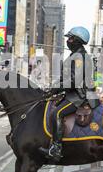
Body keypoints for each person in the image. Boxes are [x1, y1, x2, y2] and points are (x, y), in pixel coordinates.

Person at [40, 26, 98, 161]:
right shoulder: (74, 56)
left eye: (71, 38)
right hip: (72, 94)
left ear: (77, 40)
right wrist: (53, 88)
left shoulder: (79, 58)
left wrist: (56, 88)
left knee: (57, 113)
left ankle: (56, 148)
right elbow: (64, 78)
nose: (68, 41)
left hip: (80, 96)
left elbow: (74, 80)